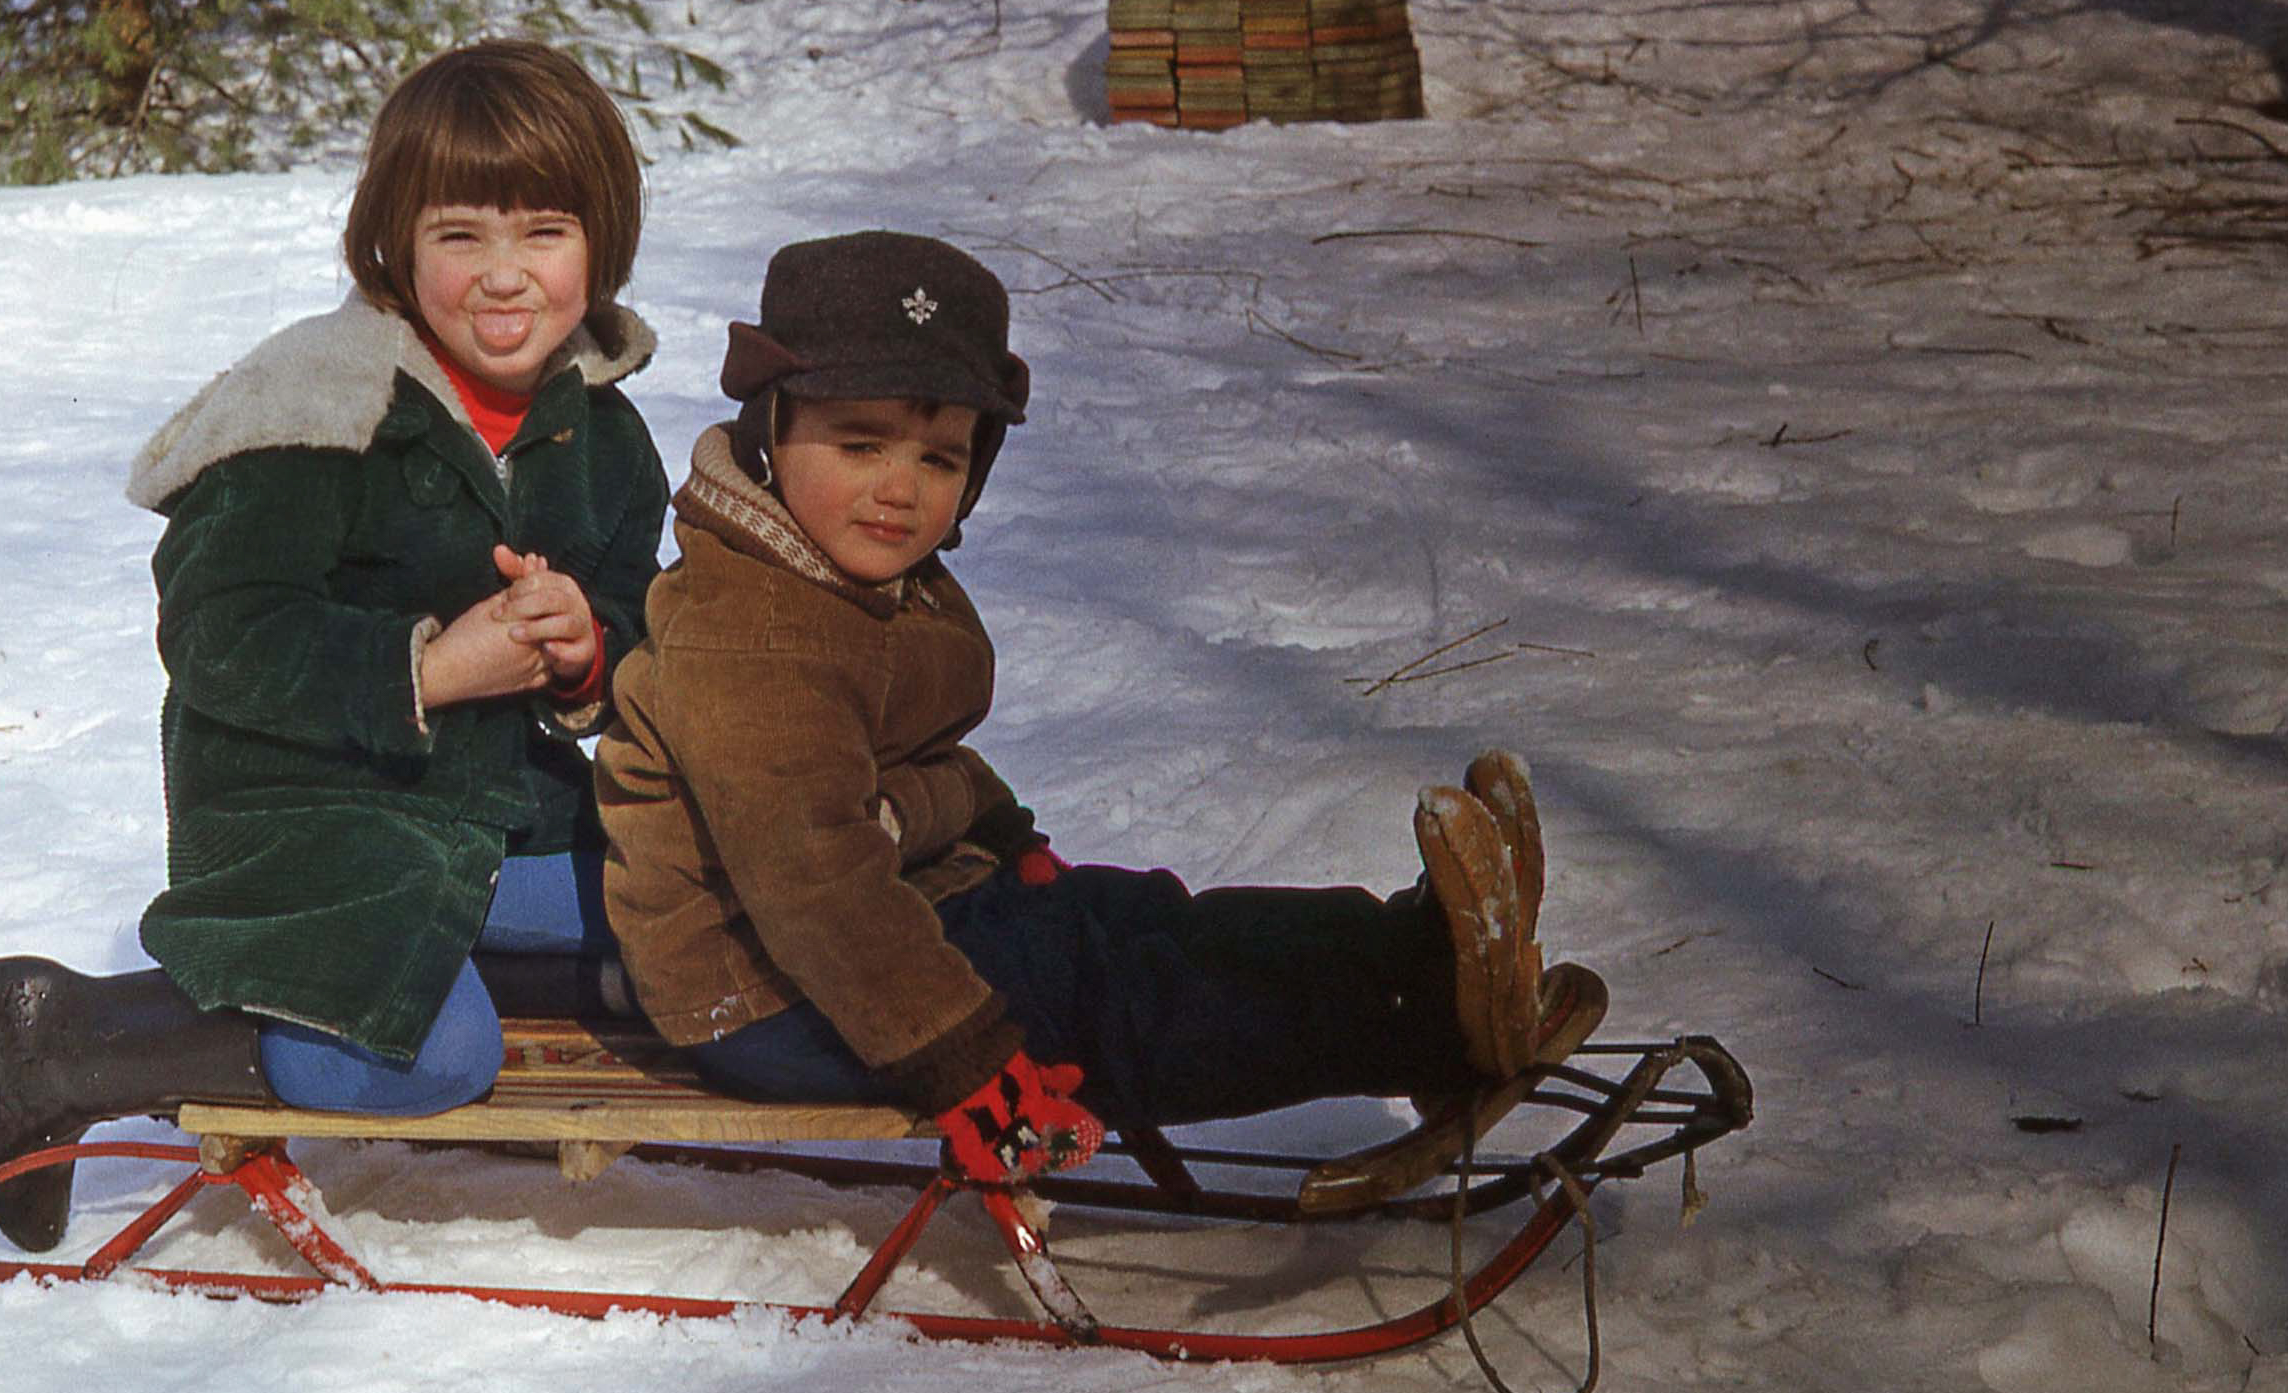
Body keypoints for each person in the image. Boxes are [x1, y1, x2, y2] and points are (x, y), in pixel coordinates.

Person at [593, 231, 1602, 1185]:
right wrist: (962, 1061)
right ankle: (1416, 1021)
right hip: (770, 990)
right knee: (1109, 993)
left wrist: (1001, 833)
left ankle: (1420, 953)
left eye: (940, 458)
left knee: (1141, 917)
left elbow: (910, 751)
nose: (900, 489)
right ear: (770, 433)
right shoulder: (753, 637)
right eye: (861, 445)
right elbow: (819, 890)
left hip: (896, 910)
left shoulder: (850, 570)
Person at [0, 40, 668, 1251]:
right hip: (309, 818)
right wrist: (426, 670)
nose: (505, 275)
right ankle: (62, 1038)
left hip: (490, 817)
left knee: (672, 904)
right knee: (430, 1060)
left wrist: (586, 646)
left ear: (600, 241)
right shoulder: (317, 403)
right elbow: (218, 632)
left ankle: (453, 970)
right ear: (393, 242)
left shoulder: (602, 433)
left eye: (544, 233)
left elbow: (637, 612)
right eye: (459, 236)